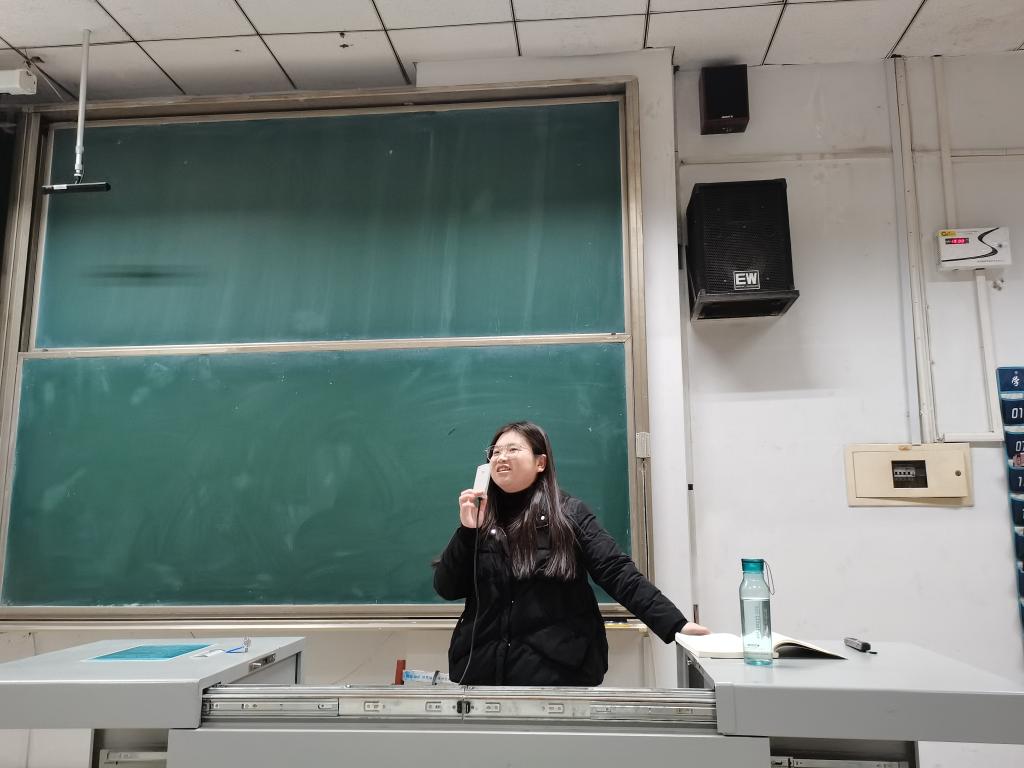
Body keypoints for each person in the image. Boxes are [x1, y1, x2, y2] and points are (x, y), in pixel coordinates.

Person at [433, 420, 710, 686]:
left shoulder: (569, 514)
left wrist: (675, 624)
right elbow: (447, 587)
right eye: (495, 452)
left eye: (513, 449)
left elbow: (616, 572)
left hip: (556, 674)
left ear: (540, 462)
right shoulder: (479, 521)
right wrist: (468, 532)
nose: (501, 457)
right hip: (482, 676)